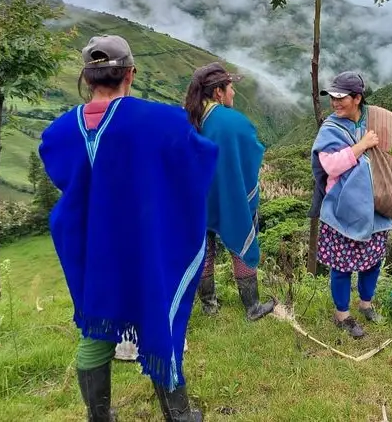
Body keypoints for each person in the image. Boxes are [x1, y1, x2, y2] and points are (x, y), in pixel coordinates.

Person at [40, 35, 217, 422]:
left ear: (87, 78)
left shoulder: (57, 133)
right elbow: (199, 160)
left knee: (94, 322)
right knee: (157, 313)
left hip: (87, 246)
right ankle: (179, 415)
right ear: (131, 74)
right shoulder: (161, 122)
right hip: (143, 241)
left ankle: (99, 417)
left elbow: (65, 179)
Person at [184, 61, 275, 321]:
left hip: (194, 198)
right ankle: (252, 306)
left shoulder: (186, 117)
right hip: (227, 194)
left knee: (204, 249)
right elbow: (252, 153)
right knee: (239, 238)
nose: (234, 93)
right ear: (218, 92)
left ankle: (209, 306)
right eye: (231, 87)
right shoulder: (233, 122)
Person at [309, 71, 392, 339]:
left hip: (375, 207)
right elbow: (330, 165)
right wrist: (361, 146)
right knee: (342, 265)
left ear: (357, 98)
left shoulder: (374, 121)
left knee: (372, 261)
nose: (335, 103)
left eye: (340, 98)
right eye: (332, 98)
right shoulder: (331, 128)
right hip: (342, 208)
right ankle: (342, 315)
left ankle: (366, 304)